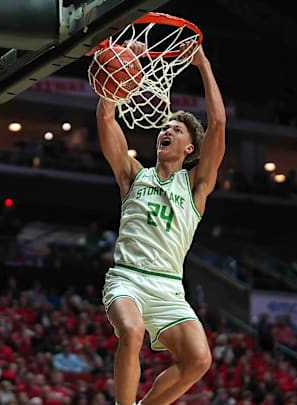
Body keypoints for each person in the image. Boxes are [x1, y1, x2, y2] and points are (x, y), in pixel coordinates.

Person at [95, 39, 226, 405]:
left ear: (189, 148)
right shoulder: (134, 175)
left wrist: (202, 64)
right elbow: (106, 119)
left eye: (177, 129)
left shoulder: (197, 186)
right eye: (164, 127)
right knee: (132, 332)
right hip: (128, 278)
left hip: (170, 289)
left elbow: (217, 123)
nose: (166, 130)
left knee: (199, 360)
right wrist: (121, 71)